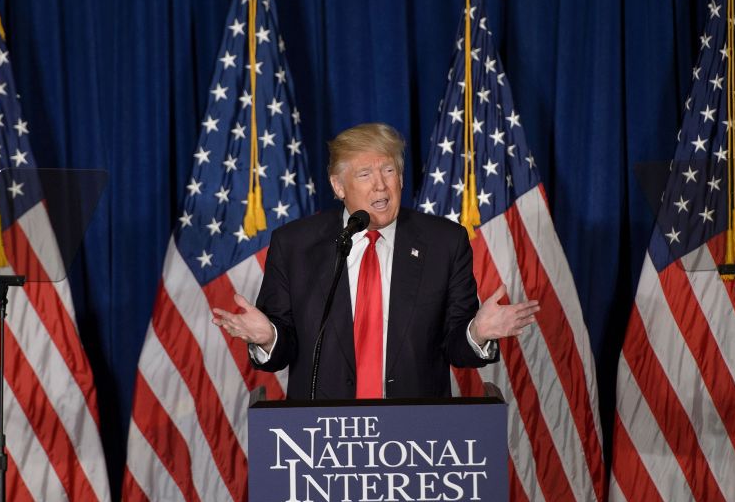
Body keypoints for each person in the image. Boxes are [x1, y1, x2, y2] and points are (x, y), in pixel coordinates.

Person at [211, 122, 539, 399]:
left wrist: (477, 332)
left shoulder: (444, 242)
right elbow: (280, 353)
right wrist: (269, 337)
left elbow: (457, 348)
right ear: (338, 185)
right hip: (322, 436)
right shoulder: (295, 244)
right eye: (365, 174)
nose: (380, 184)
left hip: (417, 437)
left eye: (389, 170)